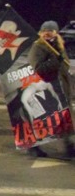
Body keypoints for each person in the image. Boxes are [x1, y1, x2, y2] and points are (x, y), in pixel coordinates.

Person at [27, 20, 74, 158]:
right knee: (43, 120)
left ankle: (69, 146)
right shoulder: (38, 47)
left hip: (61, 89)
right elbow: (38, 69)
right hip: (45, 89)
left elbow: (64, 67)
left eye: (51, 31)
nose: (48, 34)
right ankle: (33, 146)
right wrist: (54, 61)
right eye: (45, 32)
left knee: (64, 118)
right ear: (41, 33)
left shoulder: (59, 46)